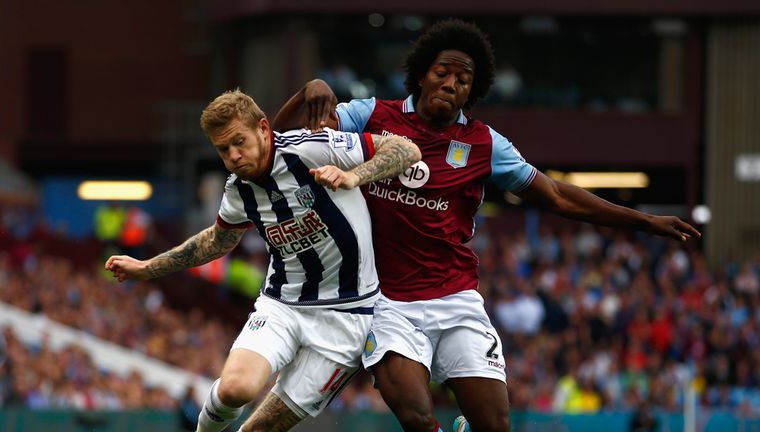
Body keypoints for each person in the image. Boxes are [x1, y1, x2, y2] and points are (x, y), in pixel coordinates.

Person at [273, 19, 700, 432]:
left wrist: (643, 221)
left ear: (471, 92)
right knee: (417, 419)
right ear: (421, 75)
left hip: (455, 298)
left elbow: (554, 195)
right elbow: (280, 142)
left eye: (463, 80)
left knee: (494, 424)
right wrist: (308, 92)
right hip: (385, 304)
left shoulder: (484, 144)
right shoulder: (371, 116)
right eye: (442, 72)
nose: (451, 84)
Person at [105, 89, 420, 432]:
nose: (234, 156)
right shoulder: (239, 190)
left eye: (239, 141)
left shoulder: (312, 148)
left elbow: (407, 149)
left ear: (264, 128)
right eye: (223, 149)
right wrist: (146, 268)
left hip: (347, 316)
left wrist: (353, 176)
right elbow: (215, 241)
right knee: (234, 388)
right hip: (282, 305)